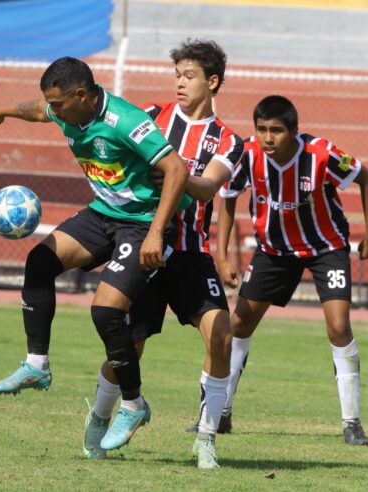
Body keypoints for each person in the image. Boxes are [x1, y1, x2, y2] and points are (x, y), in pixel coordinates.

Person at [0, 56, 191, 452]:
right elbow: (37, 110)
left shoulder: (126, 121)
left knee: (105, 311)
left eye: (58, 104)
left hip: (142, 223)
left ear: (82, 94)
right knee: (39, 262)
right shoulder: (67, 110)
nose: (53, 111)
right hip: (103, 214)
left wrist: (154, 233)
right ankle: (37, 365)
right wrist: (4, 111)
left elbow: (177, 170)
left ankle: (133, 405)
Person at [82, 39, 242, 468]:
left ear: (212, 82)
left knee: (221, 334)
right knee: (128, 345)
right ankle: (99, 416)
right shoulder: (151, 117)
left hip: (189, 251)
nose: (180, 84)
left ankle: (206, 436)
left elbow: (208, 188)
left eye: (189, 76)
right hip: (146, 243)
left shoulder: (228, 141)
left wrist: (174, 170)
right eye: (177, 76)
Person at [213, 95, 368, 445]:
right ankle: (220, 412)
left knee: (338, 326)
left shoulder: (321, 154)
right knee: (238, 323)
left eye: (276, 130)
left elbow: (366, 177)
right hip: (274, 251)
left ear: (294, 131)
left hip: (325, 249)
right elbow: (228, 197)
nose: (268, 138)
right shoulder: (248, 154)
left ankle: (352, 423)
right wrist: (222, 254)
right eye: (262, 130)